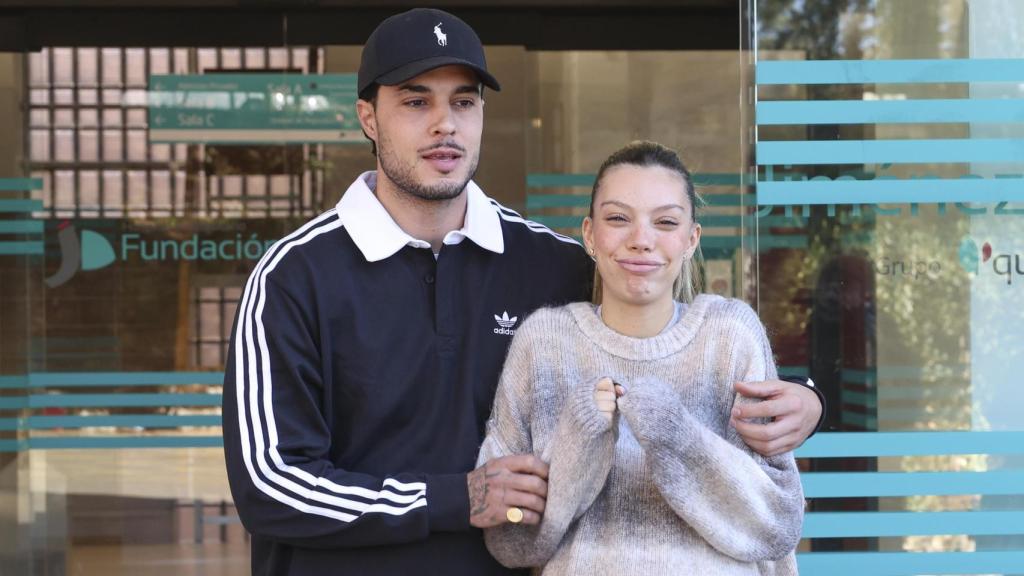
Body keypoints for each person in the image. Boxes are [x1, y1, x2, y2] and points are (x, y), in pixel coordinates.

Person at [221, 8, 821, 576]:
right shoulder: (295, 277)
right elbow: (271, 487)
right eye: (414, 101)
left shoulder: (552, 263)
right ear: (368, 118)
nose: (444, 124)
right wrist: (455, 498)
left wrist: (807, 399)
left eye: (464, 101)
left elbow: (676, 338)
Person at [478, 141, 804, 575]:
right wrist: (578, 442)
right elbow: (510, 540)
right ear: (590, 234)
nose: (641, 240)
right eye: (618, 219)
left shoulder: (730, 335)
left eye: (665, 222)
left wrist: (676, 435)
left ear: (691, 239)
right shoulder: (543, 343)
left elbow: (777, 524)